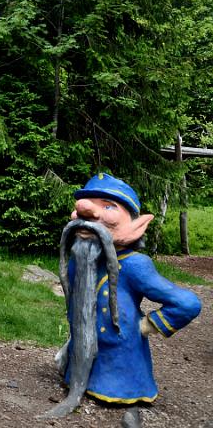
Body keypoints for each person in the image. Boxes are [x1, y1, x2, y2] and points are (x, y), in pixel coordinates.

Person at [49, 173, 202, 424]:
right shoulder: (80, 257)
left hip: (122, 365)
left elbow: (187, 303)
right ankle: (78, 379)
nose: (86, 211)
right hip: (80, 360)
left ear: (137, 225)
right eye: (86, 205)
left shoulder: (135, 265)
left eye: (108, 207)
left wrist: (146, 326)